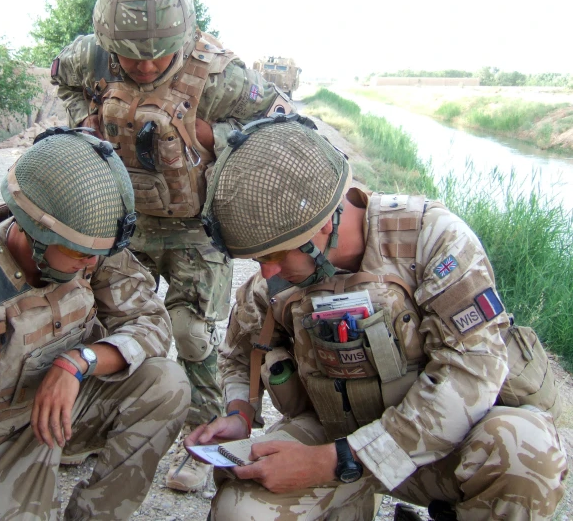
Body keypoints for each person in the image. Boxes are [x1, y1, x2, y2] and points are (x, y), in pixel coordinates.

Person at [187, 115, 567, 520]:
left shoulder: (431, 239)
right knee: (239, 510)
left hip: (440, 449)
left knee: (527, 449)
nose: (265, 273)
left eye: (274, 257)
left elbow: (472, 372)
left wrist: (334, 461)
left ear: (320, 230)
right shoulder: (279, 279)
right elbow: (238, 354)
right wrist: (239, 413)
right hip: (331, 434)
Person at [50, 0, 295, 491]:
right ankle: (91, 429)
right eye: (129, 57)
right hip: (120, 222)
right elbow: (62, 80)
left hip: (193, 228)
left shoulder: (222, 77)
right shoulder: (91, 57)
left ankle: (204, 440)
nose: (142, 68)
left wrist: (215, 138)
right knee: (100, 324)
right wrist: (82, 122)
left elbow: (282, 131)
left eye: (156, 56)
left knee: (189, 334)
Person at [0, 131, 190, 520]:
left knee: (165, 384)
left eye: (96, 255)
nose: (92, 265)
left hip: (67, 409)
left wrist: (78, 362)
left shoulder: (86, 244)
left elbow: (151, 323)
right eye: (79, 255)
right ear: (34, 233)